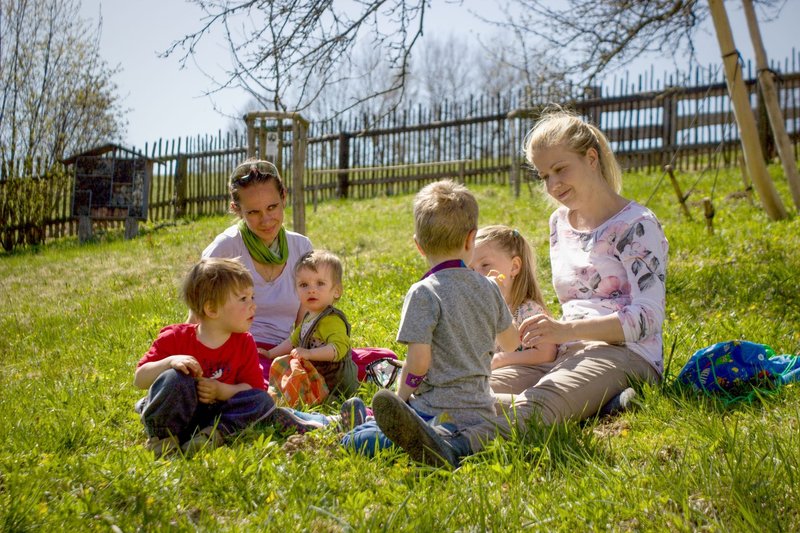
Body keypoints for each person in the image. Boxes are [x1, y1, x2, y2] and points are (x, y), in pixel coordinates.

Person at [375, 108, 669, 467]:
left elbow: (649, 317)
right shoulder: (560, 223)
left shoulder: (637, 225)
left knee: (543, 400)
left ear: (591, 158)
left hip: (626, 353)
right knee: (478, 389)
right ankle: (392, 426)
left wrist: (564, 330)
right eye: (545, 175)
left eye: (561, 169)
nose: (553, 185)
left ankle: (454, 445)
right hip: (566, 350)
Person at [353, 180, 520, 461]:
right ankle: (376, 422)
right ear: (471, 239)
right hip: (480, 411)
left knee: (358, 440)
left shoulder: (424, 292)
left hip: (433, 410)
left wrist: (401, 398)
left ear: (419, 246)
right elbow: (512, 343)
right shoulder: (489, 287)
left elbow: (418, 363)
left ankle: (362, 426)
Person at [134, 257, 276, 459]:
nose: (253, 305)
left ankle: (211, 436)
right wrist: (170, 362)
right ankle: (163, 440)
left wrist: (221, 390)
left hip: (216, 416)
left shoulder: (244, 343)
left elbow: (252, 389)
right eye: (243, 299)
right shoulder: (175, 338)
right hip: (177, 411)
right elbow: (140, 379)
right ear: (212, 309)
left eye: (252, 297)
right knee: (175, 379)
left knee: (263, 401)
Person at [201, 160, 313, 380]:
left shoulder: (301, 247)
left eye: (272, 207)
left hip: (285, 351)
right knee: (264, 384)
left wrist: (303, 357)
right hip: (238, 351)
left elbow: (306, 322)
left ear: (284, 197)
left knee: (375, 359)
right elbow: (198, 318)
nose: (266, 220)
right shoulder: (225, 249)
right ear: (237, 209)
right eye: (253, 212)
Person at [469, 225, 558, 392]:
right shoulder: (479, 310)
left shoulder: (526, 310)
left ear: (514, 267)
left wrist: (501, 360)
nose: (476, 275)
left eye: (485, 265)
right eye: (471, 269)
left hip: (524, 375)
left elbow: (547, 353)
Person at [267, 250, 359, 402]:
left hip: (336, 384)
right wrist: (270, 354)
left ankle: (332, 404)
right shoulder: (309, 317)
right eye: (303, 285)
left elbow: (338, 349)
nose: (311, 290)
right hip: (317, 377)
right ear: (296, 290)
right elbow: (293, 341)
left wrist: (309, 354)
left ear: (336, 291)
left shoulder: (331, 320)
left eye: (320, 283)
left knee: (326, 402)